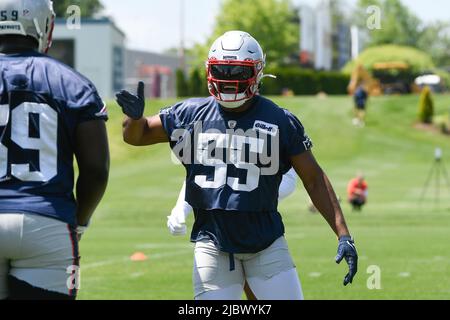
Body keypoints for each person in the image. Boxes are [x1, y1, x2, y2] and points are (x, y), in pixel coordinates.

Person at [116, 31, 358, 300]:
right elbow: (135, 136)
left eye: (237, 72)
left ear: (256, 72)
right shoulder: (190, 114)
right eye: (222, 70)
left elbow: (313, 179)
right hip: (212, 246)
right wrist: (133, 118)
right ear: (210, 70)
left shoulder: (280, 120)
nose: (229, 79)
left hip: (266, 245)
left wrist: (343, 234)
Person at [0, 0, 110, 300]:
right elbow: (96, 170)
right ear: (43, 25)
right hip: (46, 223)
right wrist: (79, 220)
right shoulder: (70, 81)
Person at [168, 169, 298, 300]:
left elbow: (290, 177)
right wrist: (181, 208)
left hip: (264, 238)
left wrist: (244, 196)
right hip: (214, 237)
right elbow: (198, 172)